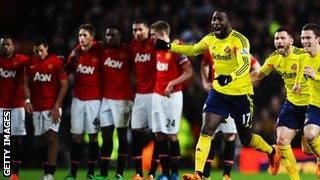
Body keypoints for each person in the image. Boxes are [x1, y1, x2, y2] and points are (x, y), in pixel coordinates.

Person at [155, 10, 281, 180]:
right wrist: (170, 46)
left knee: (245, 138)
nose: (215, 23)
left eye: (219, 20)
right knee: (206, 130)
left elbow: (245, 65)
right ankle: (198, 174)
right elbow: (193, 50)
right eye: (213, 20)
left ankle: (272, 152)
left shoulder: (239, 40)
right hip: (218, 94)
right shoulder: (210, 39)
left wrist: (231, 77)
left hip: (240, 95)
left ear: (229, 21)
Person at [252, 27, 309, 180]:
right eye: (276, 38)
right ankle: (295, 178)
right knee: (282, 140)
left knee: (307, 149)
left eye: (283, 38)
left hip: (311, 104)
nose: (279, 41)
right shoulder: (274, 58)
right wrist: (234, 80)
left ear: (291, 40)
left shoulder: (303, 54)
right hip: (291, 104)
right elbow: (257, 76)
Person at [201, 51, 261, 180]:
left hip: (233, 99)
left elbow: (258, 69)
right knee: (208, 134)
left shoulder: (241, 52)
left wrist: (243, 82)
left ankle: (226, 174)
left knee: (230, 135)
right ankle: (205, 174)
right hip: (215, 98)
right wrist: (205, 82)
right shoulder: (212, 48)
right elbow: (204, 63)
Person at [150, 20, 193, 180]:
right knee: (159, 134)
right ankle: (165, 173)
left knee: (172, 135)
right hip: (157, 96)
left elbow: (189, 72)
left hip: (172, 97)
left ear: (162, 34)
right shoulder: (156, 50)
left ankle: (175, 173)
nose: (152, 39)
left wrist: (171, 84)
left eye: (154, 36)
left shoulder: (176, 48)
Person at [24, 37, 68, 180]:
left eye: (41, 50)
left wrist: (56, 106)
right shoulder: (30, 63)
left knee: (52, 137)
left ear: (47, 48)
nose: (39, 54)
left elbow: (64, 84)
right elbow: (25, 83)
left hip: (52, 107)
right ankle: (46, 172)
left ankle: (51, 174)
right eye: (36, 51)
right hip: (37, 108)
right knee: (41, 140)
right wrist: (28, 100)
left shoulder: (56, 61)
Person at [94, 26, 133, 180]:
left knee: (122, 136)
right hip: (106, 100)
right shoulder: (102, 50)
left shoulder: (128, 51)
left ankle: (120, 172)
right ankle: (103, 173)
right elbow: (84, 45)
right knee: (106, 136)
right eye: (107, 35)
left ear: (120, 36)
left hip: (123, 100)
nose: (110, 37)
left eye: (113, 35)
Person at [64, 23, 103, 180]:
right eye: (80, 35)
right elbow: (66, 71)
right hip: (78, 100)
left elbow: (106, 45)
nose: (81, 38)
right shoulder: (75, 55)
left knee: (93, 136)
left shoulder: (99, 51)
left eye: (85, 35)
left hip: (94, 101)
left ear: (92, 37)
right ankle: (73, 173)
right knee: (76, 137)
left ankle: (91, 172)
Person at [130, 19, 159, 180]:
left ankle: (152, 173)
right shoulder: (133, 46)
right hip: (140, 95)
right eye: (134, 30)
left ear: (148, 30)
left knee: (157, 134)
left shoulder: (155, 43)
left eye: (140, 29)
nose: (137, 33)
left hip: (156, 95)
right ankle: (139, 173)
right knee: (136, 131)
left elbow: (171, 43)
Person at [0, 36, 29, 180]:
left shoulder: (22, 60)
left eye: (8, 44)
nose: (5, 47)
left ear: (13, 46)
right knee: (5, 139)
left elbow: (36, 62)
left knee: (17, 140)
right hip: (2, 107)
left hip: (18, 106)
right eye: (3, 44)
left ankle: (15, 173)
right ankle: (6, 168)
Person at [297, 23, 320, 178]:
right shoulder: (302, 59)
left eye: (308, 38)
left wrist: (316, 77)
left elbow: (314, 77)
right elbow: (300, 79)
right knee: (309, 138)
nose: (304, 41)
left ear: (318, 39)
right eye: (302, 38)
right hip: (315, 105)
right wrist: (297, 85)